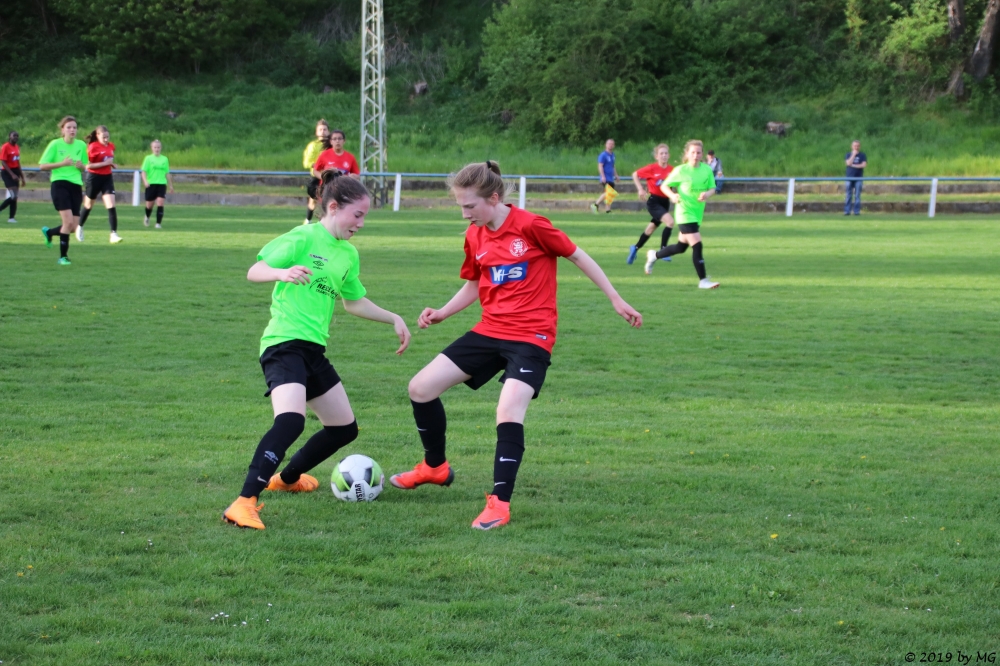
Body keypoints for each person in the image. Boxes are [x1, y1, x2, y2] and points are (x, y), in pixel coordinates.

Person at [390, 161, 642, 530]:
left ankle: (499, 504)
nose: (465, 214)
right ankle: (434, 467)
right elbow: (476, 283)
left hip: (532, 336)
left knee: (508, 409)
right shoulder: (474, 235)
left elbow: (577, 255)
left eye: (470, 206)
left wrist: (615, 299)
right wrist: (443, 312)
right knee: (420, 388)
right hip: (490, 330)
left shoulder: (531, 226)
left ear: (493, 198)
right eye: (460, 206)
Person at [223, 171, 412, 530]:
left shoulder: (348, 254)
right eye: (357, 215)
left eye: (365, 217)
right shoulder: (303, 236)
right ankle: (244, 502)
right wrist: (280, 274)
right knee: (290, 420)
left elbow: (353, 302)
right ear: (333, 207)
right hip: (283, 343)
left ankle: (287, 479)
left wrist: (393, 318)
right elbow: (255, 270)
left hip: (313, 350)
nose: (361, 223)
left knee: (344, 429)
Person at [644, 140, 719, 289]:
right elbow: (665, 186)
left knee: (681, 247)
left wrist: (707, 194)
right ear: (687, 154)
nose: (696, 155)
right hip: (684, 213)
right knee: (697, 245)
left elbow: (713, 188)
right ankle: (703, 280)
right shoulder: (680, 170)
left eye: (698, 152)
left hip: (697, 213)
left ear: (702, 154)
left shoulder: (706, 170)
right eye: (693, 152)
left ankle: (654, 255)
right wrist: (672, 196)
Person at [39, 116, 87, 265]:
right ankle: (63, 257)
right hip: (60, 184)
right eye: (69, 127)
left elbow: (85, 166)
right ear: (62, 130)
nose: (72, 130)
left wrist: (82, 166)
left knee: (73, 226)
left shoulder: (81, 145)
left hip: (76, 186)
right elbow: (42, 166)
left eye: (74, 127)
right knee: (67, 222)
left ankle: (49, 232)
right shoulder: (55, 144)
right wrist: (62, 163)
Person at [627, 143, 676, 265]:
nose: (664, 155)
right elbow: (635, 174)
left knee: (650, 229)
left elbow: (676, 184)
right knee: (670, 222)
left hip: (665, 202)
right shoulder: (652, 168)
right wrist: (640, 189)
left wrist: (674, 194)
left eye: (666, 153)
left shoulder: (672, 170)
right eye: (661, 153)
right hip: (654, 202)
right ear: (656, 156)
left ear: (669, 155)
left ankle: (635, 248)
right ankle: (664, 250)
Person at [77, 125, 122, 244]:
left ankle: (113, 234)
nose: (106, 139)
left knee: (111, 205)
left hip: (107, 178)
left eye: (108, 137)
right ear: (97, 136)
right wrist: (105, 163)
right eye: (104, 137)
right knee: (88, 205)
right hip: (94, 178)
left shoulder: (111, 146)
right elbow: (88, 165)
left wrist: (112, 164)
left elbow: (108, 160)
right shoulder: (92, 147)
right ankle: (79, 226)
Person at [303, 119, 330, 225]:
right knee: (313, 201)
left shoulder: (332, 145)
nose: (323, 132)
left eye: (325, 129)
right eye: (320, 129)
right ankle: (308, 220)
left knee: (328, 200)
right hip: (317, 177)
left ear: (328, 131)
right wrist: (317, 165)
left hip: (329, 177)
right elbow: (307, 162)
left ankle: (326, 223)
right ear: (316, 132)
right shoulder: (313, 146)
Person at [141, 140, 174, 228]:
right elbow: (143, 172)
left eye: (158, 147)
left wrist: (170, 185)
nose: (157, 149)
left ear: (161, 148)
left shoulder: (164, 159)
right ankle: (147, 216)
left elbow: (167, 173)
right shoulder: (148, 158)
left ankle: (158, 223)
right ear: (152, 148)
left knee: (160, 202)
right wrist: (145, 181)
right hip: (151, 184)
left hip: (162, 184)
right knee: (149, 205)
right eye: (155, 147)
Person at [0, 131, 25, 224]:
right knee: (13, 196)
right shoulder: (5, 146)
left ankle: (11, 218)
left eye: (17, 136)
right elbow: (3, 162)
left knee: (15, 197)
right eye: (14, 135)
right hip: (7, 173)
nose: (16, 137)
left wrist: (22, 177)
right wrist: (12, 174)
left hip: (15, 172)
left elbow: (17, 163)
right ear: (9, 136)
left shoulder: (17, 147)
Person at [591, 138, 619, 214]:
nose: (610, 145)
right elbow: (600, 166)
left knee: (609, 194)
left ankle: (608, 210)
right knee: (609, 192)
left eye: (612, 144)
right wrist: (603, 176)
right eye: (609, 144)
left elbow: (612, 166)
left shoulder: (613, 155)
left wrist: (616, 175)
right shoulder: (603, 155)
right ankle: (595, 204)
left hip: (611, 178)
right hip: (606, 177)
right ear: (606, 145)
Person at [844, 140, 867, 216]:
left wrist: (853, 165)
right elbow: (848, 163)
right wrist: (853, 155)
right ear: (852, 146)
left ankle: (856, 211)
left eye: (857, 146)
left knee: (857, 195)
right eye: (855, 146)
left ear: (859, 146)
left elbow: (863, 165)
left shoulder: (862, 155)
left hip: (859, 178)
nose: (856, 147)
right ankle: (847, 211)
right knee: (848, 195)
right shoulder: (848, 154)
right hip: (849, 178)